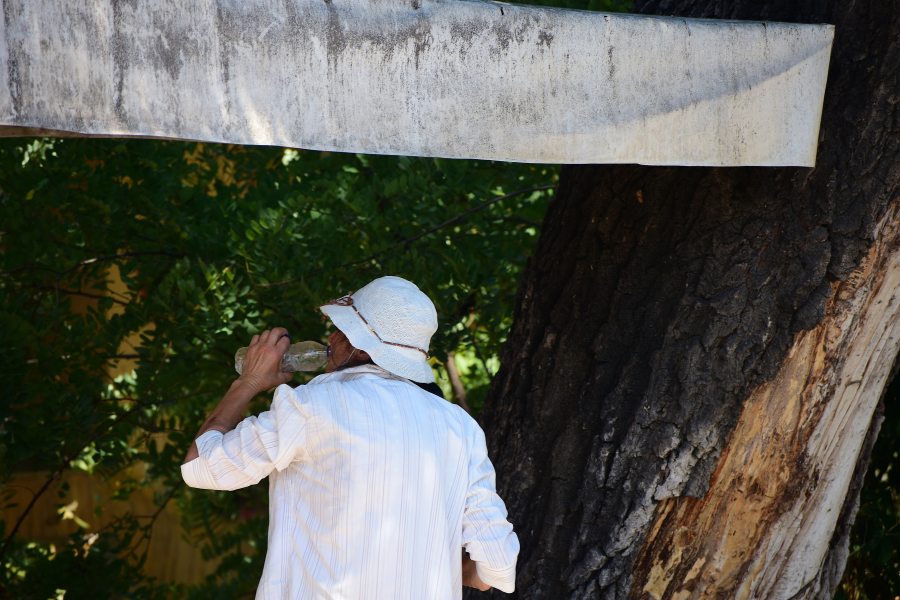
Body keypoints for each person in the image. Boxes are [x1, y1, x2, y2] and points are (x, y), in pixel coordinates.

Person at [182, 276, 519, 599]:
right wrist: (424, 561)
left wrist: (249, 381)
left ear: (360, 347)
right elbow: (497, 568)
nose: (329, 337)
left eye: (341, 328)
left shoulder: (314, 406)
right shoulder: (460, 428)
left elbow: (201, 466)